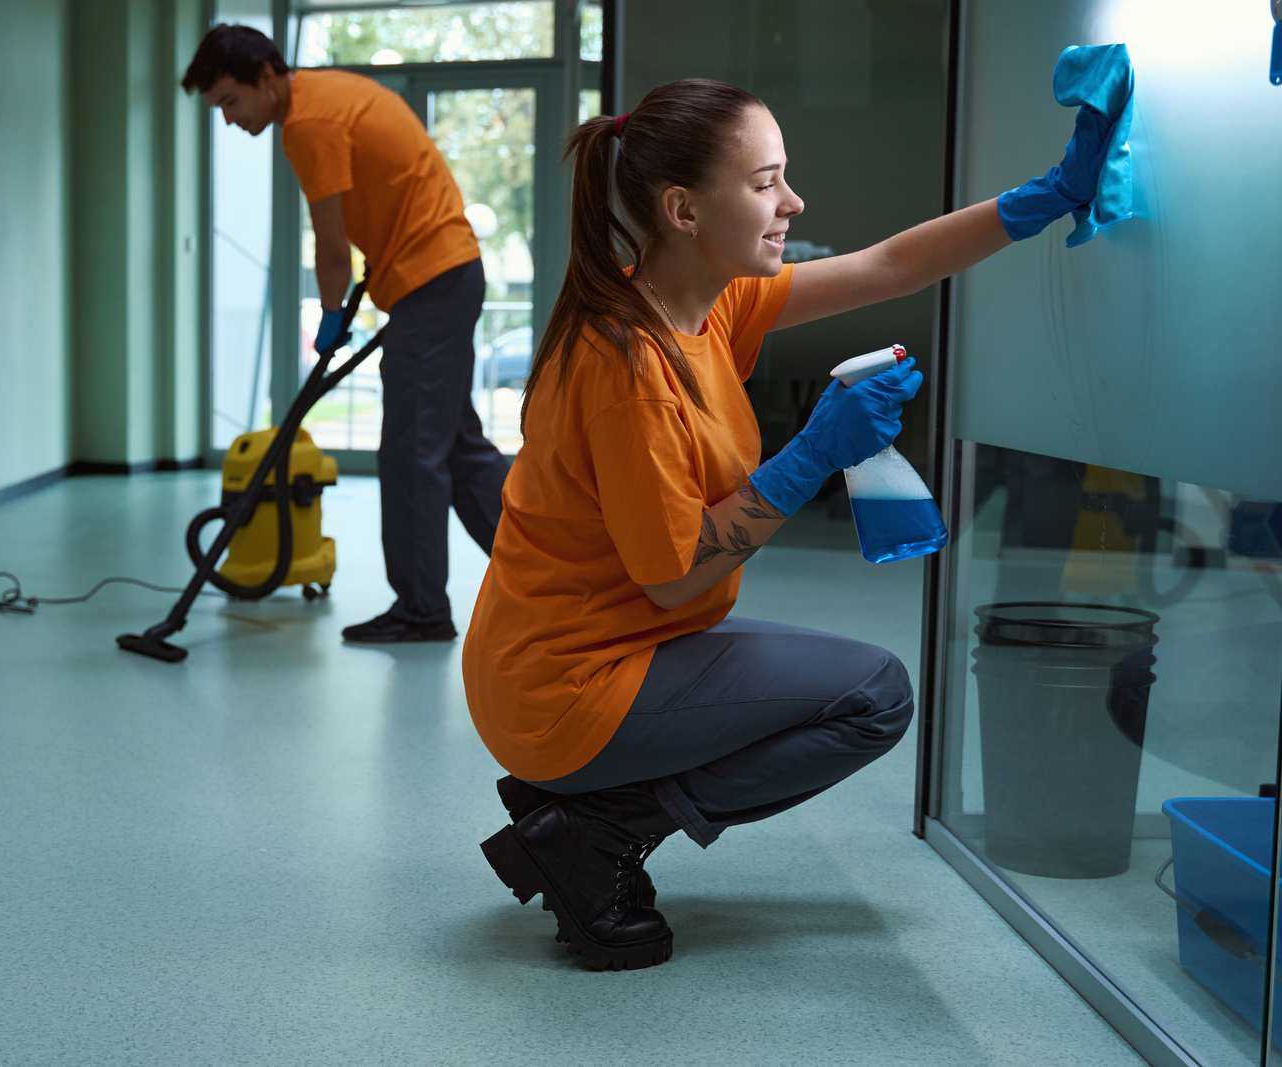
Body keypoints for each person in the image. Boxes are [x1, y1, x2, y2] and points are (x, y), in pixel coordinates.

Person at [464, 78, 1118, 970]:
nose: (793, 202)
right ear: (685, 209)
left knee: (854, 687)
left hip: (594, 650)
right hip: (568, 684)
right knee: (873, 697)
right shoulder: (627, 364)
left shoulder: (699, 300)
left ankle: (591, 815)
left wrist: (1047, 196)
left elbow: (890, 265)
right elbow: (675, 573)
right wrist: (813, 454)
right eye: (767, 181)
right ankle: (597, 828)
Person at [181, 25, 513, 643]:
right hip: (441, 275)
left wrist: (331, 318)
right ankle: (546, 579)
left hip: (432, 281)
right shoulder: (329, 94)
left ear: (267, 76)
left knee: (413, 455)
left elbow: (330, 247)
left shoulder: (308, 125)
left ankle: (421, 611)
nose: (228, 119)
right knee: (458, 448)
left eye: (230, 101)